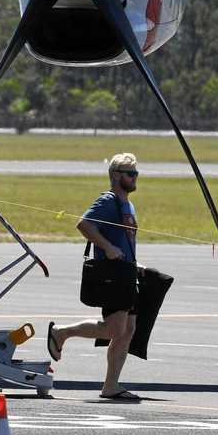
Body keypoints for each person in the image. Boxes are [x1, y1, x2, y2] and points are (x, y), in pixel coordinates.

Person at [46, 153, 141, 400]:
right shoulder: (108, 201)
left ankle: (111, 385)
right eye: (130, 173)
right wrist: (107, 247)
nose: (134, 177)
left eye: (136, 173)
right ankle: (62, 332)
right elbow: (84, 224)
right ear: (116, 175)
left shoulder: (127, 204)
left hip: (127, 271)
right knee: (113, 329)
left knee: (128, 329)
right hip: (113, 274)